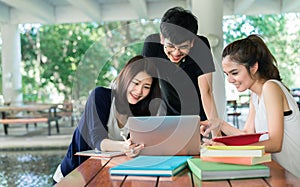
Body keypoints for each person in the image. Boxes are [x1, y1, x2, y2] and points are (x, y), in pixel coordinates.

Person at [201, 34, 300, 178]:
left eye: (234, 73)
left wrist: (228, 150)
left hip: (294, 175)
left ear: (254, 67)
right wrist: (219, 123)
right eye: (226, 74)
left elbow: (275, 143)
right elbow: (248, 135)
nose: (229, 80)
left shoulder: (270, 87)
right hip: (280, 174)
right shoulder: (255, 95)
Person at [53, 55, 161, 183]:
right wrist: (124, 147)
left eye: (146, 87)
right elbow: (98, 142)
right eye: (136, 83)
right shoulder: (100, 96)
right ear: (126, 79)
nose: (139, 91)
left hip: (106, 176)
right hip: (74, 175)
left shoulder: (142, 111)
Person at [142, 6, 218, 120]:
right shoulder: (152, 45)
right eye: (171, 46)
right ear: (162, 39)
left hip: (198, 116)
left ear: (192, 42)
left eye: (183, 47)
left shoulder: (201, 46)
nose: (176, 53)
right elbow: (145, 83)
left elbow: (206, 91)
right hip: (166, 116)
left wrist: (216, 133)